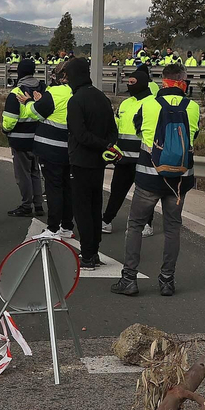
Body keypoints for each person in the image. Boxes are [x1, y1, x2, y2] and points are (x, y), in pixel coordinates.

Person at [112, 64, 199, 297]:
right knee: (172, 228)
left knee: (136, 226)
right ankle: (167, 280)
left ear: (163, 81)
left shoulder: (147, 104)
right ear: (183, 82)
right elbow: (194, 136)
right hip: (180, 180)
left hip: (149, 177)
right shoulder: (193, 107)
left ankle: (129, 278)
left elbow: (139, 131)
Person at [63, 58, 117, 268]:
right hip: (99, 163)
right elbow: (113, 130)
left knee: (82, 210)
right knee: (96, 207)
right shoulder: (101, 97)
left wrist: (101, 144)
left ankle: (86, 255)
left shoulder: (76, 101)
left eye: (67, 76)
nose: (66, 80)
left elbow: (80, 134)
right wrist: (108, 146)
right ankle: (94, 252)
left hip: (81, 162)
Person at [103, 64, 154, 237]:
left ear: (142, 83)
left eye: (133, 82)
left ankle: (148, 224)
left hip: (143, 158)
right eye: (128, 82)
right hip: (123, 158)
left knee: (145, 194)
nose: (129, 85)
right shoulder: (125, 103)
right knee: (116, 190)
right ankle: (107, 221)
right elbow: (116, 126)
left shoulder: (152, 104)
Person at [31, 63, 76, 240]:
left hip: (51, 150)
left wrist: (31, 102)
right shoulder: (77, 92)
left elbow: (35, 113)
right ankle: (67, 226)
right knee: (67, 188)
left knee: (54, 188)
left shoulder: (55, 93)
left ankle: (53, 228)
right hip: (71, 150)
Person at [2, 59, 44, 218]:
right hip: (38, 139)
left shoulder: (16, 93)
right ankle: (38, 204)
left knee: (23, 175)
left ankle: (26, 205)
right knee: (35, 171)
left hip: (20, 140)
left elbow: (10, 120)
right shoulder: (43, 89)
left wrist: (5, 130)